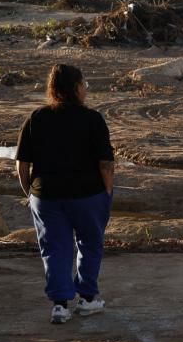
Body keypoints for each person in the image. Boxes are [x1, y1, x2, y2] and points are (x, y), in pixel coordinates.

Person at [14, 63, 114, 325]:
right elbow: (106, 163)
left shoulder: (36, 118)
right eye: (84, 85)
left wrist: (29, 191)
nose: (86, 90)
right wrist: (107, 190)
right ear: (76, 88)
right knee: (90, 244)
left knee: (54, 248)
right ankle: (88, 298)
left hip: (46, 196)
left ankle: (59, 305)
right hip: (88, 194)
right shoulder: (92, 119)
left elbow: (22, 163)